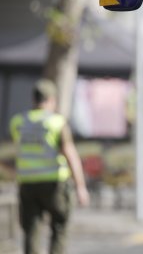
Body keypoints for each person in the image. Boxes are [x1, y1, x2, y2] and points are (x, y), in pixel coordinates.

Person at [9, 79, 90, 254]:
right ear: (52, 99)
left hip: (27, 184)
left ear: (34, 99)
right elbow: (70, 155)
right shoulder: (57, 123)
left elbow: (18, 150)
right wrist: (81, 187)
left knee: (31, 230)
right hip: (54, 184)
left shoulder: (18, 122)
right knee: (59, 228)